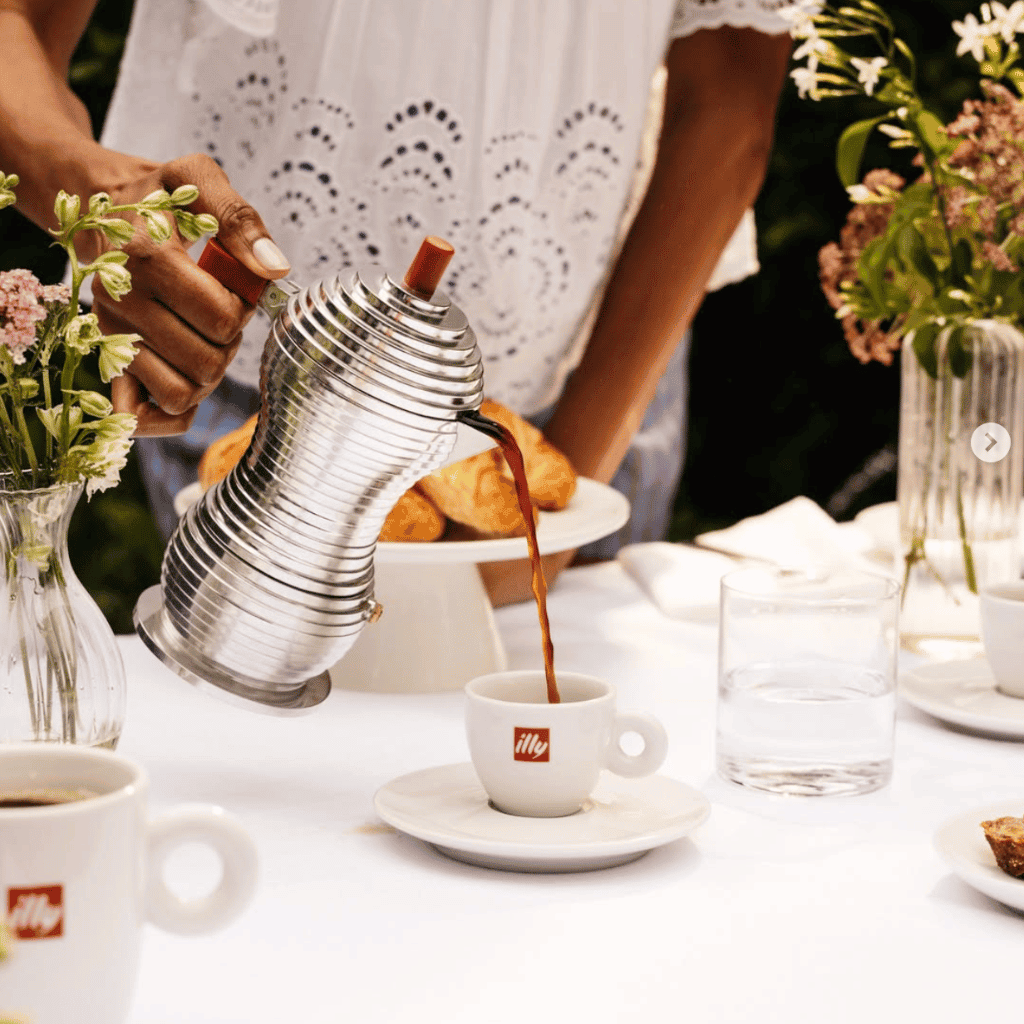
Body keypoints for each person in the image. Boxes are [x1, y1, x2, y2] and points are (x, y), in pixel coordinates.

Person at [0, 0, 793, 605]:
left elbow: (729, 92)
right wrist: (99, 193)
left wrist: (555, 508)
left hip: (589, 393)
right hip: (245, 400)